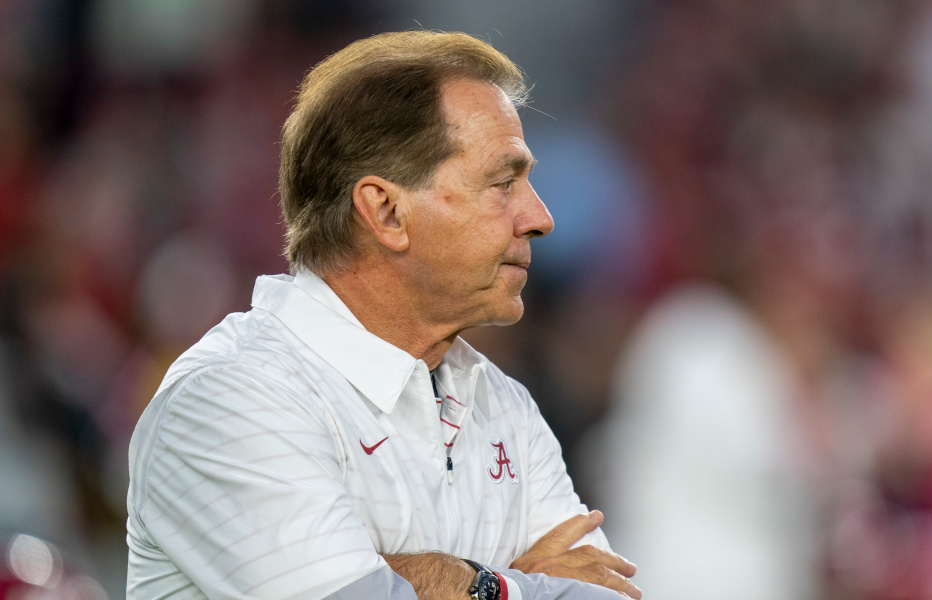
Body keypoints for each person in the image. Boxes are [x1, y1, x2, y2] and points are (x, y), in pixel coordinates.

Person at [125, 31, 640, 600]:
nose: (540, 217)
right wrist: (502, 583)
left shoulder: (503, 406)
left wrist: (422, 577)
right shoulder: (227, 399)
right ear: (387, 211)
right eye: (503, 183)